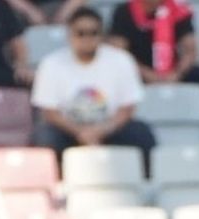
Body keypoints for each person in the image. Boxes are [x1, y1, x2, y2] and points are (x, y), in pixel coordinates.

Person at [30, 7, 156, 157]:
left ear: (102, 35)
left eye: (93, 33)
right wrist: (81, 132)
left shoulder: (121, 60)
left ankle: (145, 178)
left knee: (141, 134)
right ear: (69, 35)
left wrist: (102, 130)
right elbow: (50, 112)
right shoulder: (51, 63)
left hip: (110, 128)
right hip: (69, 130)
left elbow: (127, 107)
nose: (87, 38)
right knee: (45, 137)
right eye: (80, 33)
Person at [107, 0, 199, 112]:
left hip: (173, 71)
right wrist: (147, 74)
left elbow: (190, 50)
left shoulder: (178, 9)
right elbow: (119, 52)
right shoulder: (124, 11)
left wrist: (177, 73)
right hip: (137, 71)